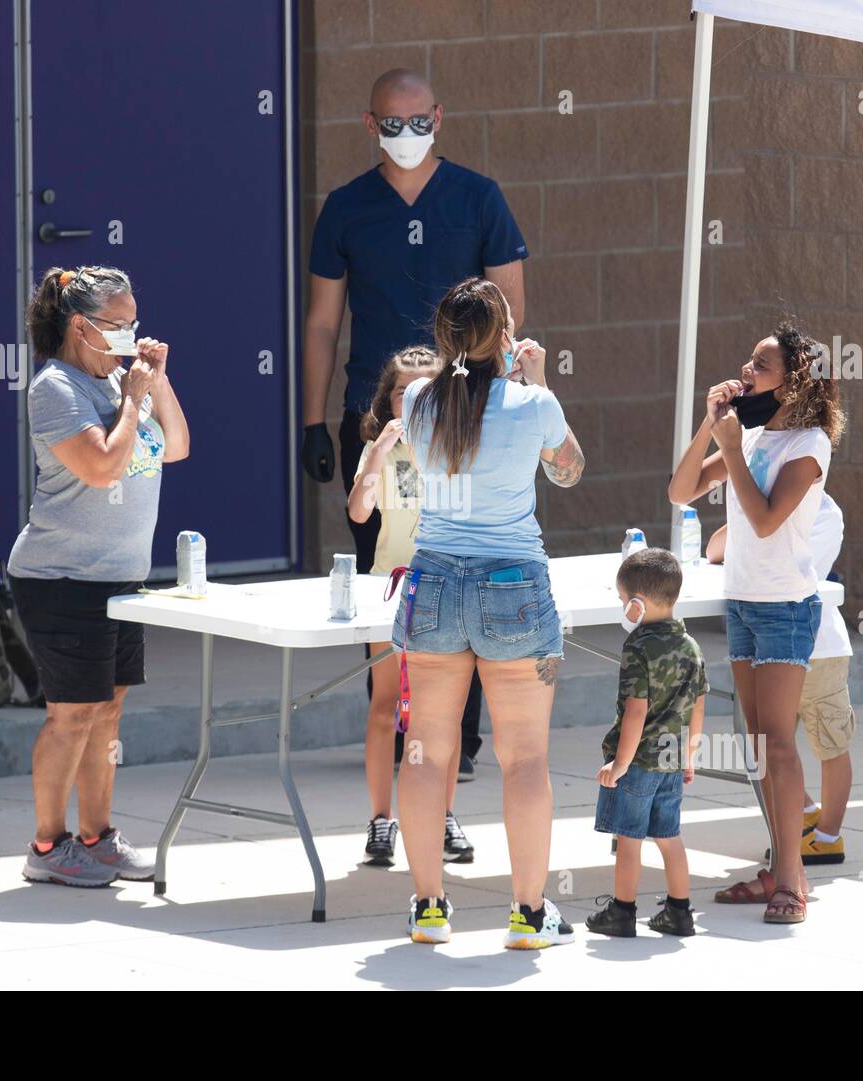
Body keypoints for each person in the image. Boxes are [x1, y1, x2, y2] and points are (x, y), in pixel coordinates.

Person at [302, 67, 529, 777]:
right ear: (370, 126)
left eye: (420, 122)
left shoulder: (478, 198)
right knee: (389, 574)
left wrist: (511, 410)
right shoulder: (345, 208)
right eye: (392, 125)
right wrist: (314, 421)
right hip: (376, 421)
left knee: (462, 564)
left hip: (467, 417)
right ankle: (396, 723)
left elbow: (510, 317)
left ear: (440, 116)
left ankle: (458, 734)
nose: (408, 136)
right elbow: (320, 323)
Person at [393, 277, 585, 948]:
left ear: (442, 338)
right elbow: (568, 469)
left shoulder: (416, 399)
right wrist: (531, 378)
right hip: (512, 581)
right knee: (525, 757)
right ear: (503, 337)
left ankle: (428, 906)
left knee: (424, 751)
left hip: (436, 579)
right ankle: (530, 914)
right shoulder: (534, 403)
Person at [8, 265, 190, 887]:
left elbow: (178, 445)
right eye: (118, 324)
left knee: (107, 713)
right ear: (80, 327)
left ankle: (97, 836)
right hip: (62, 579)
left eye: (134, 322)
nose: (129, 335)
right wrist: (133, 399)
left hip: (121, 579)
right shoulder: (55, 387)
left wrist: (154, 385)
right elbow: (103, 468)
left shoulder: (121, 379)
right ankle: (46, 846)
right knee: (71, 714)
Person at [668, 318, 844, 924]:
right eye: (749, 361)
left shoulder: (809, 445)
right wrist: (708, 429)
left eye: (760, 365)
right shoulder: (751, 436)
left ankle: (792, 881)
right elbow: (679, 491)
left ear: (794, 385)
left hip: (785, 608)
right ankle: (777, 866)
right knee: (758, 746)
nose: (746, 371)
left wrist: (733, 448)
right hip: (742, 604)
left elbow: (766, 519)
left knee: (780, 744)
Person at [348, 346, 474, 866]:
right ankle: (382, 820)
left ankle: (442, 815)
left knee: (440, 714)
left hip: (445, 585)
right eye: (404, 390)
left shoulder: (457, 447)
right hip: (391, 585)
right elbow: (359, 512)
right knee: (385, 705)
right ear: (390, 399)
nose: (415, 398)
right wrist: (377, 453)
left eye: (427, 388)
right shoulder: (383, 449)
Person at [707, 491, 855, 864]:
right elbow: (714, 550)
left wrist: (759, 524)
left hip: (819, 649)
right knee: (769, 744)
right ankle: (803, 814)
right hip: (769, 646)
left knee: (830, 742)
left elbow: (787, 565)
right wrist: (751, 508)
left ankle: (828, 836)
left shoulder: (824, 512)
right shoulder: (757, 505)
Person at [586, 549, 707, 938]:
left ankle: (622, 912)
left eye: (623, 602)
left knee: (630, 839)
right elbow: (698, 707)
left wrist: (619, 764)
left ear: (636, 604)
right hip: (672, 760)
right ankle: (679, 912)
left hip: (638, 762)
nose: (623, 609)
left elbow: (636, 711)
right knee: (669, 837)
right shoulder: (691, 646)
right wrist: (689, 756)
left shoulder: (638, 648)